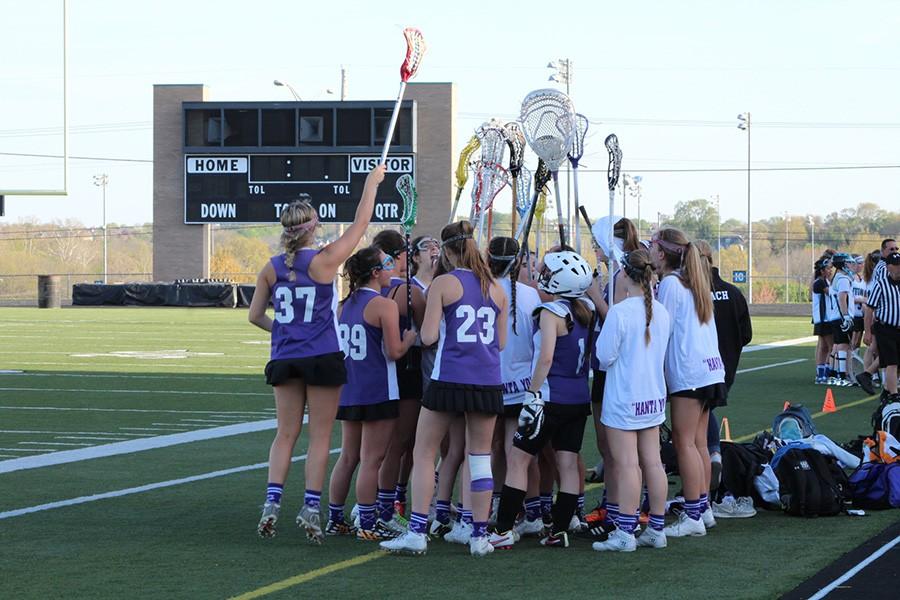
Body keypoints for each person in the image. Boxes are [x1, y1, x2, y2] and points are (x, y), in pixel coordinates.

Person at [250, 165, 385, 542]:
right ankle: (311, 507)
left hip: (285, 357)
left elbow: (254, 315)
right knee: (321, 436)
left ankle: (272, 502)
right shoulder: (324, 262)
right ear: (310, 227)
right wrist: (370, 184)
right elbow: (361, 225)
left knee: (285, 435)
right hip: (322, 356)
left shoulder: (271, 267)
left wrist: (283, 330)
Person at [380, 220, 508, 557]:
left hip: (448, 376)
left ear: (448, 251)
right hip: (487, 380)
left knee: (424, 451)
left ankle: (418, 531)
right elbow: (502, 342)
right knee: (480, 458)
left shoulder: (443, 284)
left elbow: (429, 336)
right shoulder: (496, 288)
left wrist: (414, 334)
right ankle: (479, 536)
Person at [490, 248, 594, 550]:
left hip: (549, 398)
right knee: (567, 463)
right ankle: (560, 529)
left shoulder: (552, 312)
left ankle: (504, 529)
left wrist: (533, 393)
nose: (543, 276)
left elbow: (546, 357)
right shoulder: (587, 308)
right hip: (577, 398)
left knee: (518, 460)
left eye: (549, 273)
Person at [326, 247, 417, 540]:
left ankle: (335, 517)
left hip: (349, 388)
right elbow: (393, 351)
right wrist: (409, 339)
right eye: (388, 264)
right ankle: (367, 522)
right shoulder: (383, 305)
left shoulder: (343, 305)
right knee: (371, 459)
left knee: (348, 456)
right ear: (375, 273)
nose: (393, 268)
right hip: (377, 388)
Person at [591, 249, 671, 552]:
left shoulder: (620, 313)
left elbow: (603, 357)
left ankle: (625, 533)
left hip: (624, 398)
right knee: (653, 462)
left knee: (627, 464)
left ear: (625, 274)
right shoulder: (660, 312)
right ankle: (656, 529)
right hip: (652, 397)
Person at [649, 227, 725, 538]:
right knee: (698, 443)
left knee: (684, 443)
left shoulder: (670, 283)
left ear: (663, 253)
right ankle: (703, 508)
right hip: (709, 370)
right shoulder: (695, 282)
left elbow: (662, 328)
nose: (650, 251)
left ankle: (693, 512)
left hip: (689, 373)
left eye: (653, 246)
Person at [487, 237, 542, 538]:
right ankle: (527, 509)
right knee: (517, 453)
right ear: (518, 263)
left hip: (491, 382)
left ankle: (502, 507)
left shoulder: (484, 291)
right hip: (521, 385)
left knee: (494, 450)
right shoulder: (530, 295)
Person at [371, 229, 426, 532]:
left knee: (367, 450)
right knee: (401, 444)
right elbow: (427, 332)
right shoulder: (407, 291)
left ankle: (365, 507)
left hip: (369, 374)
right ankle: (385, 508)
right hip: (405, 369)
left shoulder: (361, 290)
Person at [694, 240, 754, 517]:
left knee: (693, 428)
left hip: (698, 367)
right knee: (706, 410)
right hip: (726, 367)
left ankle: (702, 478)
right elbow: (746, 334)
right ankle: (712, 460)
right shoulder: (732, 291)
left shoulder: (692, 292)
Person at [865, 251, 900, 402]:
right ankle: (893, 394)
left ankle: (886, 389)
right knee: (892, 362)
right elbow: (869, 308)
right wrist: (867, 331)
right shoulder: (881, 284)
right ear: (888, 267)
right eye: (896, 266)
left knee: (897, 363)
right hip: (886, 328)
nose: (899, 269)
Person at [827, 253, 856, 386]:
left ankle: (834, 374)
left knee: (839, 345)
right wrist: (846, 316)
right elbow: (842, 297)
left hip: (835, 316)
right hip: (840, 316)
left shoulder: (837, 278)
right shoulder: (843, 279)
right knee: (843, 345)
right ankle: (842, 376)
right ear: (843, 264)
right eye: (849, 263)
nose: (851, 265)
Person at [813, 257, 834, 384]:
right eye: (828, 268)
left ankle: (821, 374)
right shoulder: (820, 282)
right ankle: (824, 373)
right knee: (830, 347)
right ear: (822, 271)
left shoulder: (824, 281)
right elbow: (831, 293)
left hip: (822, 319)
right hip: (824, 318)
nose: (830, 270)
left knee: (824, 347)